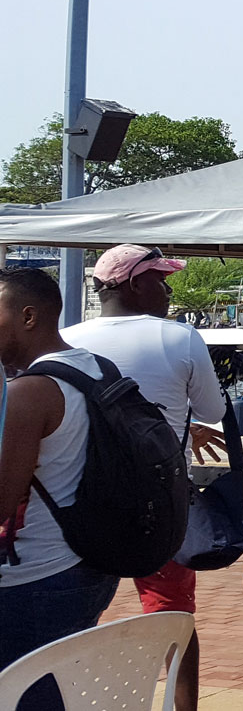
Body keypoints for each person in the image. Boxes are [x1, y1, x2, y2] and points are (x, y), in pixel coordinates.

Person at [64, 244, 226, 711]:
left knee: (75, 619)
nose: (169, 288)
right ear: (135, 283)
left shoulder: (66, 337)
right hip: (160, 503)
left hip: (79, 501)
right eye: (160, 278)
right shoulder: (179, 337)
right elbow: (213, 410)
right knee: (173, 616)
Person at [0, 269, 122, 711]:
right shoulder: (95, 367)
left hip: (34, 578)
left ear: (28, 316)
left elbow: (2, 498)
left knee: (28, 697)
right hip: (88, 564)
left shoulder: (29, 392)